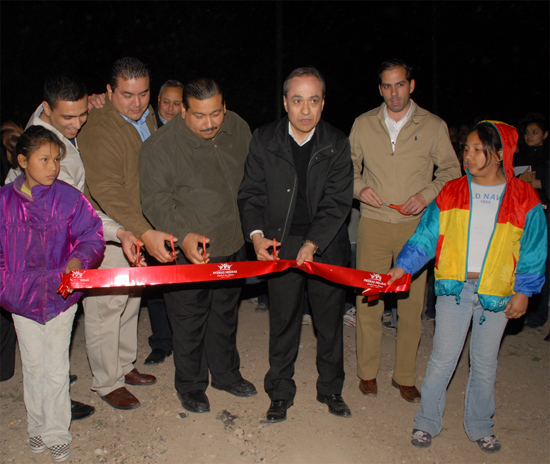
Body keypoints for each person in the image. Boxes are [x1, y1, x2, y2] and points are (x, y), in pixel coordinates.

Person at [386, 121, 547, 453]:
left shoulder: (523, 197)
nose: (468, 156)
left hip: (498, 293)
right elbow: (427, 235)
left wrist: (524, 291)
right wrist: (403, 266)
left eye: (478, 150)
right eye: (466, 149)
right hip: (455, 289)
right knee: (443, 358)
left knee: (485, 362)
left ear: (501, 153)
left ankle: (480, 425)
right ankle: (426, 422)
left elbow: (534, 249)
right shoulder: (453, 190)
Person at [4, 74, 130, 420]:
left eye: (82, 115)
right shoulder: (39, 160)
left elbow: (78, 210)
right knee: (41, 348)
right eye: (68, 118)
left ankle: (55, 399)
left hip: (63, 258)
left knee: (55, 345)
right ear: (47, 109)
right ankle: (54, 409)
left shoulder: (49, 119)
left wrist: (91, 102)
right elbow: (73, 209)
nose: (77, 124)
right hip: (39, 265)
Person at [238, 67, 353, 422]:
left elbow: (338, 201)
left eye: (314, 101)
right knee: (283, 322)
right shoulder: (263, 139)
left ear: (323, 104)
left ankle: (331, 389)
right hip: (280, 245)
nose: (306, 110)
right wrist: (256, 237)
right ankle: (280, 391)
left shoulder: (336, 142)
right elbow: (251, 193)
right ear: (285, 102)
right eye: (298, 100)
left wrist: (313, 242)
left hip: (325, 246)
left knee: (329, 323)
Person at [140, 78, 256, 414]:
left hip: (231, 242)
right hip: (189, 251)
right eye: (199, 116)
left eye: (216, 113)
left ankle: (225, 374)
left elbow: (252, 177)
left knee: (224, 315)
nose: (210, 124)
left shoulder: (237, 127)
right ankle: (190, 385)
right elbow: (155, 200)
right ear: (182, 112)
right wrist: (182, 234)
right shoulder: (160, 146)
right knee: (189, 320)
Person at [350, 59, 461, 403]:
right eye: (387, 86)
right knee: (369, 300)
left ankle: (405, 376)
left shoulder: (433, 125)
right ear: (379, 88)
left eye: (400, 85)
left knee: (411, 306)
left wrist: (426, 195)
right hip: (374, 222)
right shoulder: (364, 123)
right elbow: (346, 169)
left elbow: (451, 171)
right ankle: (367, 373)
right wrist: (358, 188)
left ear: (411, 85)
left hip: (417, 229)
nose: (393, 93)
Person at [0, 124, 105, 462]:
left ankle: (58, 432)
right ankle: (37, 426)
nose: (53, 167)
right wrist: (5, 286)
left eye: (56, 159)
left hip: (61, 295)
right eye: (44, 159)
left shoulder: (69, 197)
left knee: (57, 366)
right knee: (33, 366)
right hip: (20, 299)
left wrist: (77, 260)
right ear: (22, 161)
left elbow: (92, 235)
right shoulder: (3, 203)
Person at [78, 57, 173, 410]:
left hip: (139, 225)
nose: (137, 103)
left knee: (131, 298)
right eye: (126, 95)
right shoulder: (99, 128)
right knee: (105, 305)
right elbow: (108, 190)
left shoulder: (146, 117)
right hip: (110, 227)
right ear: (107, 91)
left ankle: (124, 364)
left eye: (143, 93)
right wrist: (143, 231)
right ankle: (106, 382)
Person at [142, 79, 184, 366]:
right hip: (153, 217)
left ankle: (186, 341)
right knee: (156, 284)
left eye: (177, 102)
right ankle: (161, 342)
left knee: (183, 284)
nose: (170, 108)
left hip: (184, 217)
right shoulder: (144, 127)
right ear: (157, 102)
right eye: (165, 101)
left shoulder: (191, 129)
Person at [513, 118, 549, 328]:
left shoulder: (546, 157)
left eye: (535, 132)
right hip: (522, 216)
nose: (529, 136)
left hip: (544, 215)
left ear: (545, 135)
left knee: (542, 265)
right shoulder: (520, 156)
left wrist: (536, 183)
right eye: (527, 132)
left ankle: (538, 314)